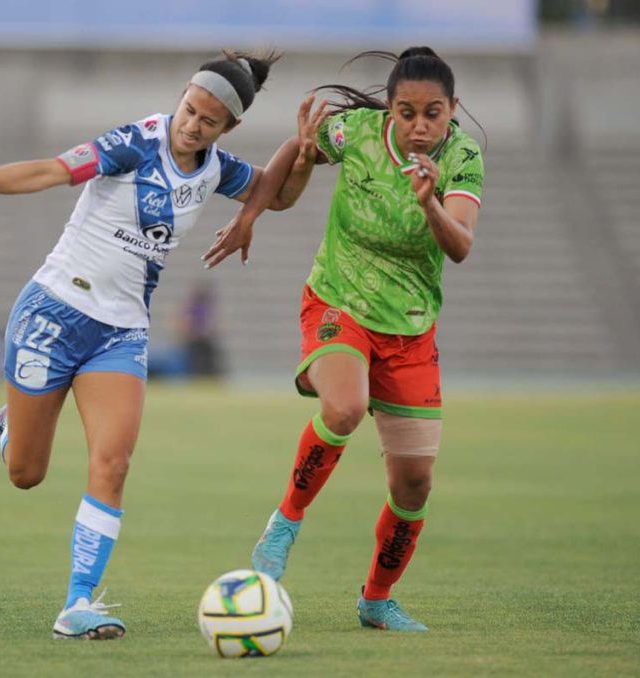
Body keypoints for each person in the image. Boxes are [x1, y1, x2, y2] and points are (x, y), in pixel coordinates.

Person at [0, 50, 320, 640]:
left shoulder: (216, 169)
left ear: (229, 128)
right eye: (188, 109)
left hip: (120, 332)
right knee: (27, 473)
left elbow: (277, 195)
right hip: (52, 310)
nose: (190, 125)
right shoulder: (136, 141)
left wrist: (302, 159)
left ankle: (77, 604)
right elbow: (51, 170)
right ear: (180, 97)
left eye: (207, 120)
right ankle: (11, 428)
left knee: (113, 462)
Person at [205, 47, 485, 632]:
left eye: (433, 113)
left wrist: (428, 200)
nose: (418, 126)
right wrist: (251, 212)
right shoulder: (356, 132)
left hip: (410, 330)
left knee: (413, 484)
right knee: (345, 405)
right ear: (388, 107)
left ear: (452, 109)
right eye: (406, 112)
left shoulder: (462, 157)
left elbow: (458, 245)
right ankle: (285, 522)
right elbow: (297, 150)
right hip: (339, 300)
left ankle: (376, 601)